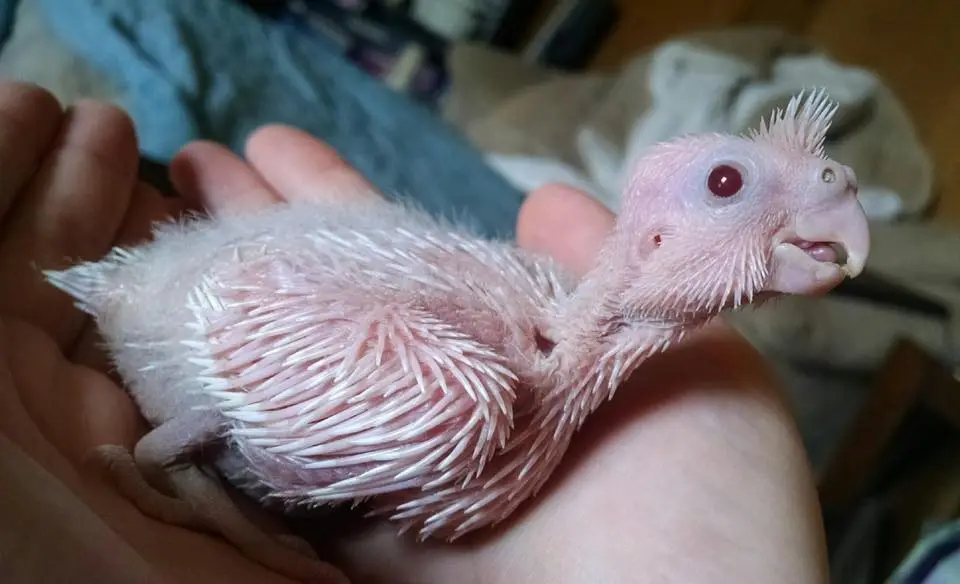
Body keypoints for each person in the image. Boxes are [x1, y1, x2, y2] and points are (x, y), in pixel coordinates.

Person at [0, 80, 830, 583]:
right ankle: (180, 478)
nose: (833, 188)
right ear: (649, 238)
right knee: (415, 410)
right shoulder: (453, 402)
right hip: (166, 321)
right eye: (729, 183)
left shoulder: (545, 308)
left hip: (246, 293)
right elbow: (239, 364)